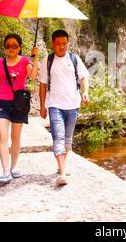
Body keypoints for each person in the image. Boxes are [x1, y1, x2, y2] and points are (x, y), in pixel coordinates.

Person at [0, 33, 39, 185]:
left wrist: (35, 58)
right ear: (4, 47)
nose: (11, 48)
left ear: (19, 47)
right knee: (3, 136)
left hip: (20, 103)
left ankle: (14, 167)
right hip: (2, 103)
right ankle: (5, 171)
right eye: (8, 46)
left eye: (15, 46)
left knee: (16, 137)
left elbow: (32, 76)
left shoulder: (25, 60)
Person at [39, 29, 90, 186]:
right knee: (58, 137)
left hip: (73, 105)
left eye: (64, 43)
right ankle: (62, 172)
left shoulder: (74, 59)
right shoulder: (47, 60)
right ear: (52, 44)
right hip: (55, 105)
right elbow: (42, 85)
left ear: (68, 43)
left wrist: (85, 92)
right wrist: (42, 105)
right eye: (58, 44)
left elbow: (83, 77)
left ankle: (61, 165)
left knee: (68, 140)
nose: (61, 47)